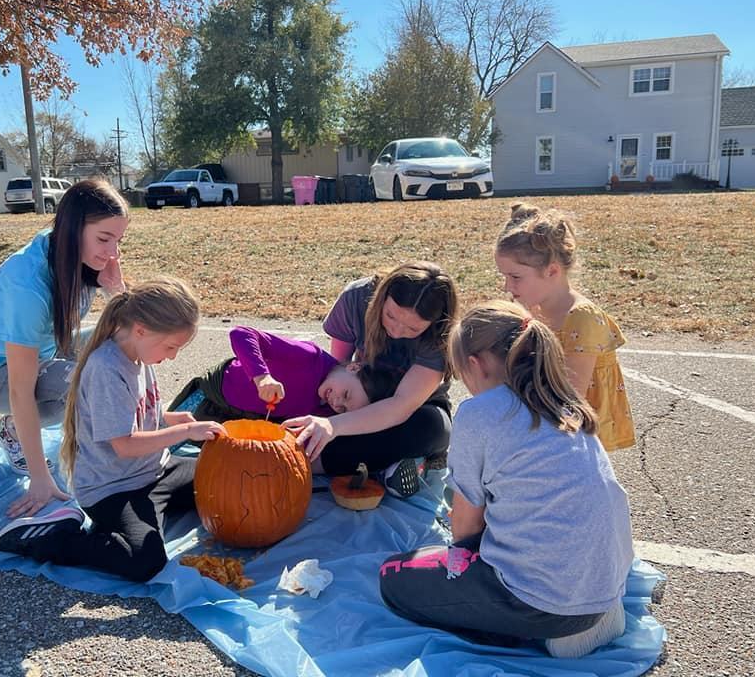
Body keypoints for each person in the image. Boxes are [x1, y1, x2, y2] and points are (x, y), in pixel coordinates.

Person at [379, 302, 634, 658]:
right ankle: (586, 619)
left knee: (394, 577)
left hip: (542, 603)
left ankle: (532, 633)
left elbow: (466, 524)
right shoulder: (566, 405)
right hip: (605, 584)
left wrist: (456, 560)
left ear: (475, 364)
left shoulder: (479, 413)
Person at [0, 278, 227, 582]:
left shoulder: (140, 351)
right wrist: (183, 434)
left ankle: (126, 524)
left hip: (156, 471)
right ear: (141, 329)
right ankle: (53, 536)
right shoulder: (106, 367)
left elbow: (134, 416)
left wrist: (168, 420)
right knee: (145, 562)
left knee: (222, 480)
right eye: (171, 346)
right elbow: (125, 445)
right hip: (114, 489)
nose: (173, 356)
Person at [0, 179, 129, 519]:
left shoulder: (80, 255)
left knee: (124, 341)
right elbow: (19, 389)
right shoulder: (26, 286)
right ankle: (17, 432)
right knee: (84, 382)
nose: (112, 252)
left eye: (118, 240)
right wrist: (39, 480)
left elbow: (134, 327)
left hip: (49, 348)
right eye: (103, 238)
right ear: (72, 229)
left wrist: (116, 288)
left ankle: (126, 442)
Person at [283, 262, 458, 498]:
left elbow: (400, 406)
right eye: (390, 316)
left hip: (415, 408)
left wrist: (335, 426)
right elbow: (337, 367)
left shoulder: (442, 335)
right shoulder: (357, 297)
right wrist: (329, 415)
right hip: (360, 394)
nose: (396, 330)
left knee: (433, 429)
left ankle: (308, 461)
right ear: (382, 297)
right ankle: (388, 463)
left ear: (434, 324)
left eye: (412, 328)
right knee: (307, 401)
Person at [495, 202, 636, 451]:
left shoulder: (582, 318)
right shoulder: (533, 307)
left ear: (552, 270)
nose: (507, 287)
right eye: (504, 277)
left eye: (515, 277)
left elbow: (572, 398)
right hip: (546, 420)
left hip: (578, 435)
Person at [167, 325, 400, 422]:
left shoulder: (329, 410)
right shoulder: (309, 356)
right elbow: (242, 334)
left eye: (344, 408)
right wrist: (262, 377)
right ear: (353, 367)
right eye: (346, 395)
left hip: (246, 421)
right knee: (159, 445)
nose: (337, 403)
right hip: (212, 395)